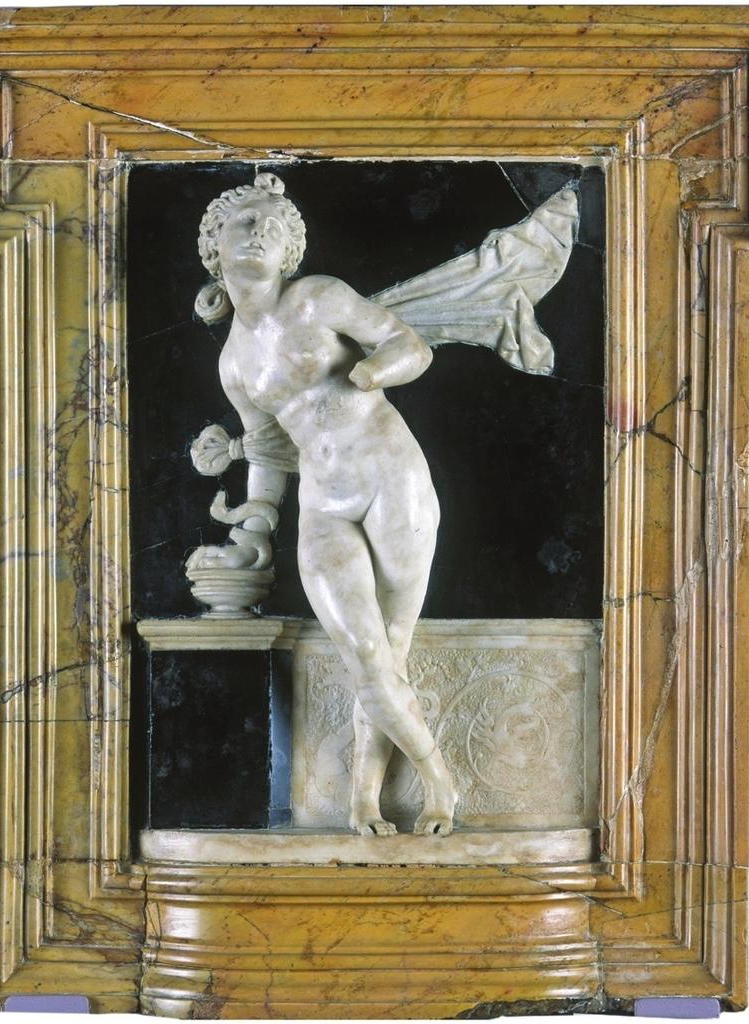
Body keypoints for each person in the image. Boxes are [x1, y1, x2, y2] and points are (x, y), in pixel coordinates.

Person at [192, 172, 456, 836]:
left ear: (290, 252)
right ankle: (439, 778)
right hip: (322, 502)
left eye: (273, 226)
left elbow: (411, 346)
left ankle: (364, 798)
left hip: (390, 474)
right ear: (214, 245)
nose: (258, 232)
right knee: (365, 650)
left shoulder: (317, 298)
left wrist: (373, 371)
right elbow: (269, 453)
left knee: (389, 648)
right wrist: (255, 526)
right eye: (244, 222)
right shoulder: (234, 364)